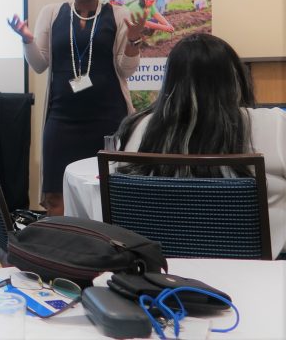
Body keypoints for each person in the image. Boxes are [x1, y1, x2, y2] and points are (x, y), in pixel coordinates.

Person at [115, 33, 285, 257]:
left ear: (170, 79)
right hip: (257, 269)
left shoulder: (135, 128)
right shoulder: (273, 125)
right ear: (235, 77)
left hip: (160, 271)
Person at [7, 0, 147, 216]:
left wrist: (134, 39)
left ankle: (103, 251)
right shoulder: (52, 13)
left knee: (106, 191)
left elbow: (125, 69)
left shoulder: (117, 16)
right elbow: (39, 64)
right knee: (54, 195)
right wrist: (26, 39)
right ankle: (57, 253)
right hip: (62, 119)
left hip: (107, 120)